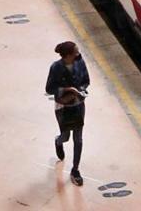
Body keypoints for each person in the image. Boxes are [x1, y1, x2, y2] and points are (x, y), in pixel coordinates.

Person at [46, 40, 90, 187]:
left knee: (78, 139)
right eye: (75, 52)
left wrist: (81, 90)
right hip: (63, 107)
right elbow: (49, 88)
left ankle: (75, 170)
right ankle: (58, 141)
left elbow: (86, 80)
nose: (78, 54)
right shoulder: (56, 67)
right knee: (65, 136)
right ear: (67, 55)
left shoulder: (80, 62)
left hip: (78, 105)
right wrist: (66, 90)